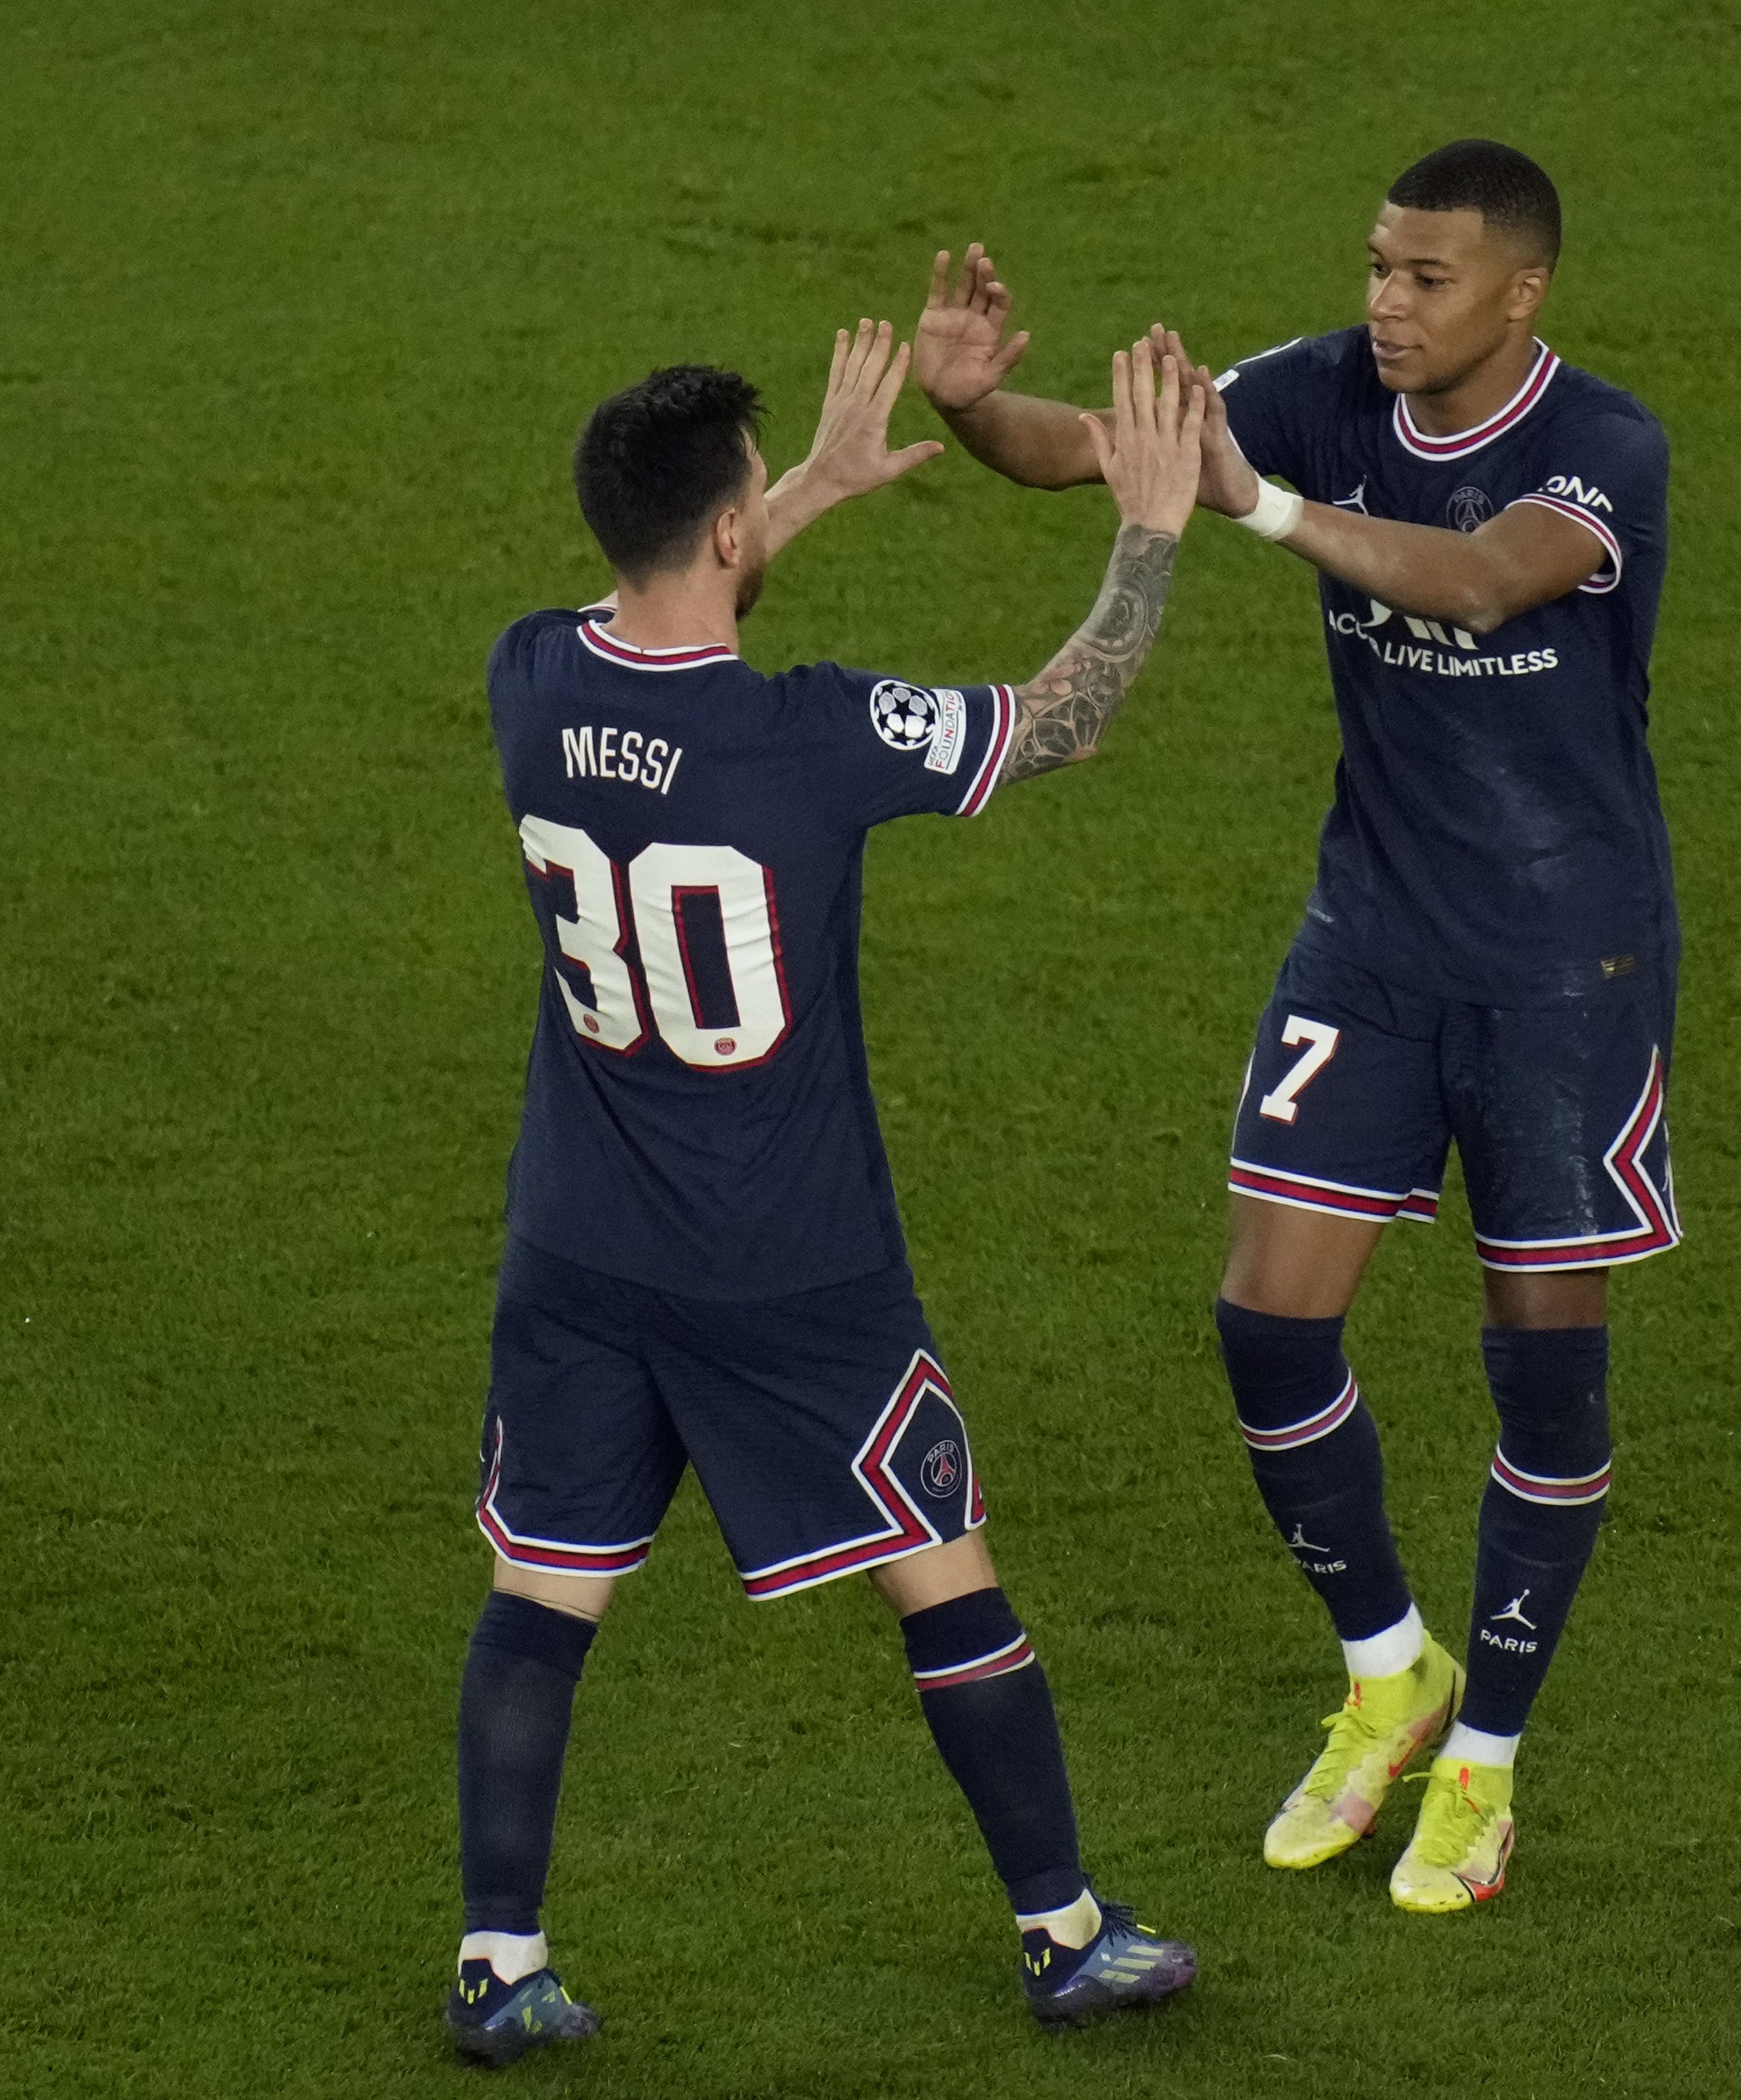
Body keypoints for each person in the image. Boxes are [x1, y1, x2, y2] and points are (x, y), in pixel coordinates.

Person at [911, 139, 1677, 1914]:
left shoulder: (1604, 446)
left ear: (1521, 293)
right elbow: (1108, 452)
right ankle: (1391, 1669)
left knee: (1545, 1369)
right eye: (1377, 269)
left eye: (1427, 279)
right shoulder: (1329, 392)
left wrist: (1257, 512)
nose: (1386, 305)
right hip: (1375, 942)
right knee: (1268, 1321)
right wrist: (975, 409)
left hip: (1571, 970)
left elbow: (1486, 580)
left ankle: (1484, 1769)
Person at [448, 323, 1206, 2064]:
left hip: (576, 1247)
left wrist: (819, 487)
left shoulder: (528, 684)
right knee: (949, 1578)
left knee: (544, 1589)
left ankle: (499, 1955)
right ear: (730, 530)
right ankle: (1064, 1928)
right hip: (790, 1269)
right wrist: (1149, 526)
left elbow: (677, 600)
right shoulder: (816, 736)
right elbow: (1060, 721)